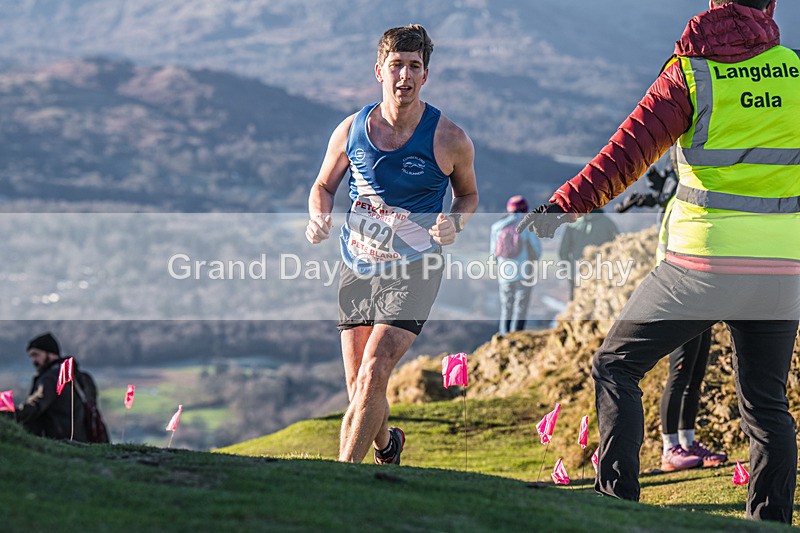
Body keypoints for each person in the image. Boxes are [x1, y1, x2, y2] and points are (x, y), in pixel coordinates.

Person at [519, 0, 799, 522]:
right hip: (781, 269)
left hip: (701, 265)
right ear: (771, 5)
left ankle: (618, 505)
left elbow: (626, 155)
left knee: (615, 366)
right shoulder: (796, 72)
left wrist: (562, 208)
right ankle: (772, 522)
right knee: (766, 406)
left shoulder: (691, 73)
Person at [306, 25, 479, 464]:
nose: (405, 75)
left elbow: (469, 195)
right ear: (379, 71)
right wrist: (318, 214)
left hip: (415, 269)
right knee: (359, 384)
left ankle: (342, 479)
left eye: (414, 67)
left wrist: (453, 224)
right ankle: (387, 446)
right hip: (356, 265)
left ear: (426, 76)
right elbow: (323, 185)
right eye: (396, 66)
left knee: (375, 369)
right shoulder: (351, 130)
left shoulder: (449, 138)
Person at [16, 332, 93, 442]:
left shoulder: (51, 378)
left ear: (51, 354)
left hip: (58, 442)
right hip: (83, 442)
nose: (33, 361)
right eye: (31, 356)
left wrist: (10, 414)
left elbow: (36, 406)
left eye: (36, 355)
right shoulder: (82, 377)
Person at [490, 195, 542, 334]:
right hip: (524, 272)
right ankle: (515, 335)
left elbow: (493, 253)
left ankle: (503, 334)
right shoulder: (526, 225)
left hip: (504, 275)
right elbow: (536, 249)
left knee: (506, 307)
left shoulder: (496, 227)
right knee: (521, 306)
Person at [558, 208, 618, 300]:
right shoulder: (608, 223)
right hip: (603, 274)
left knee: (577, 306)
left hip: (577, 274)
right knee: (601, 306)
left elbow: (563, 252)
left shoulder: (573, 224)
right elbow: (618, 247)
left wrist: (569, 272)